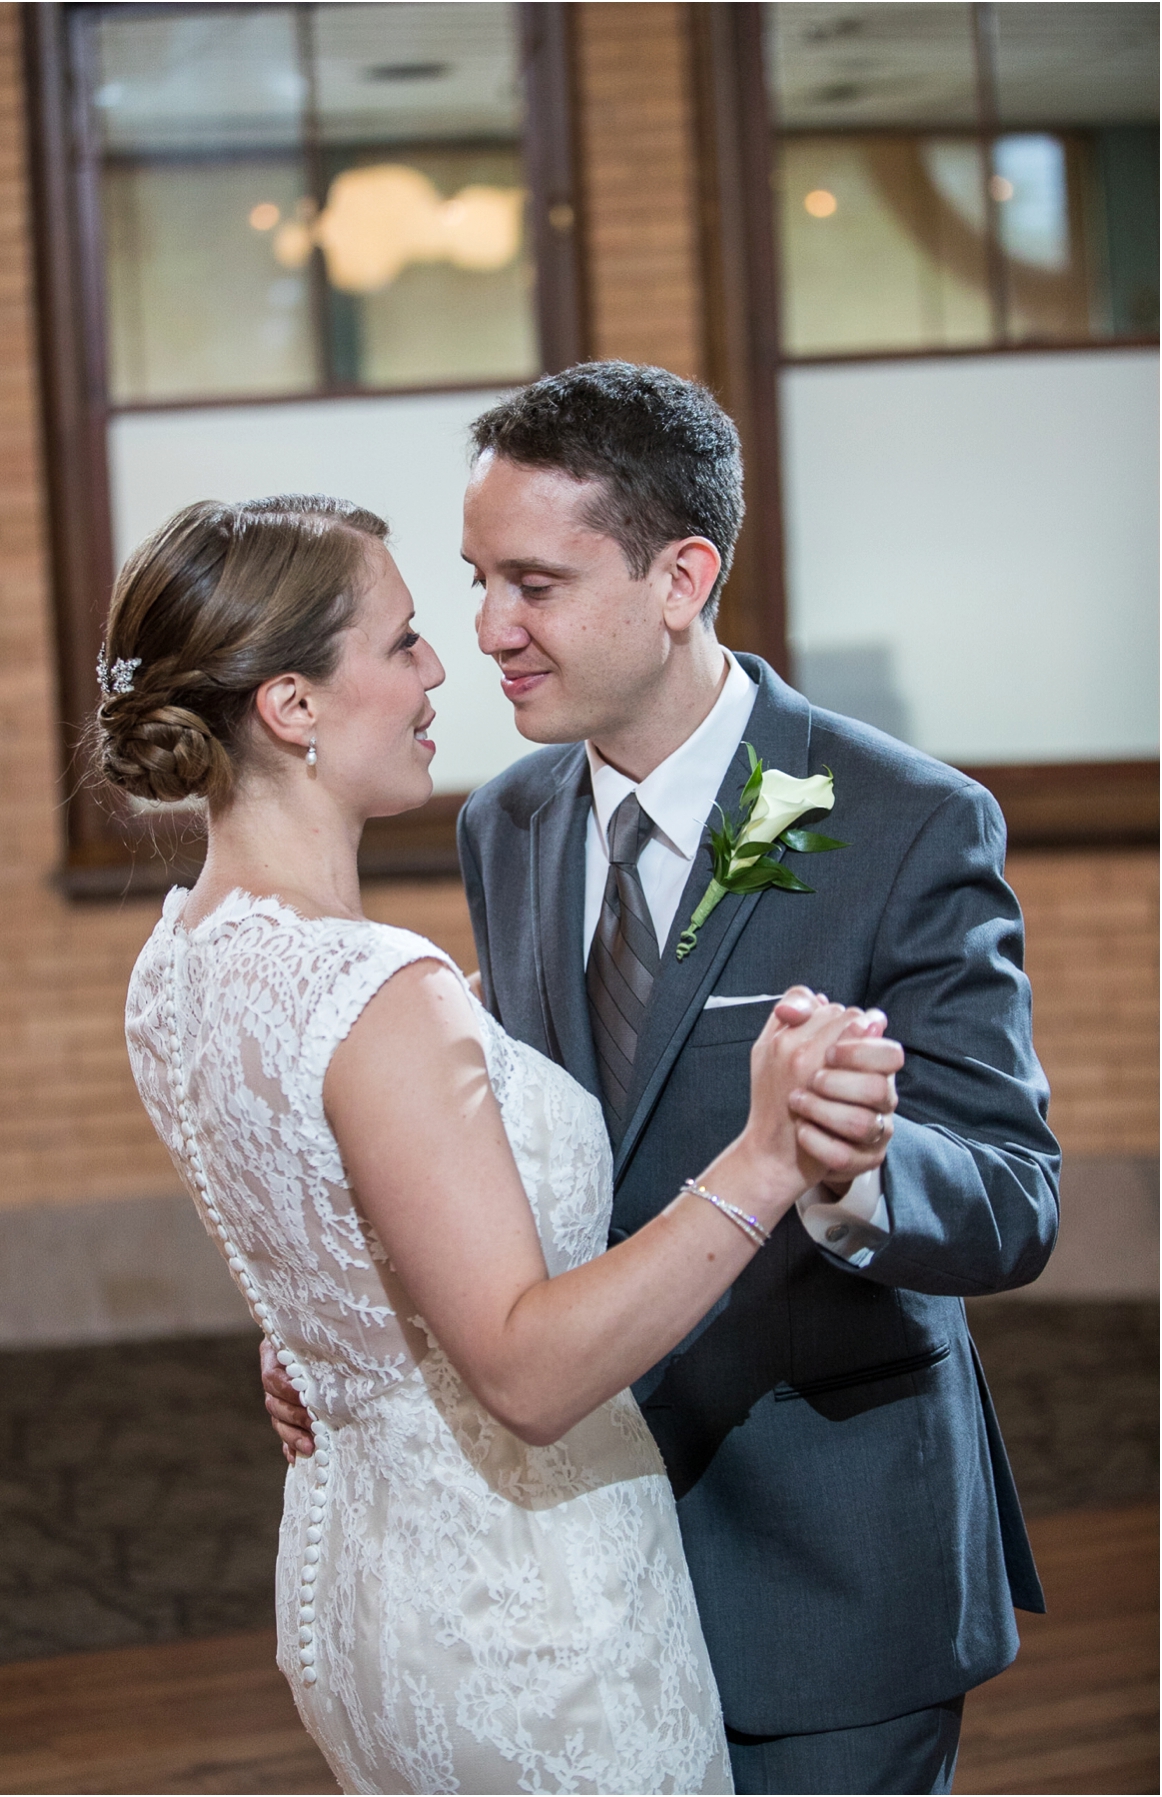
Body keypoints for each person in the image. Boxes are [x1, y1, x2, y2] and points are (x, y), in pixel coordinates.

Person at [264, 364, 1062, 1797]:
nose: (489, 632)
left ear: (681, 574)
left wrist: (854, 1164)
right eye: (477, 580)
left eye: (536, 584)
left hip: (833, 1577)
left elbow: (1014, 1198)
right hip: (583, 1572)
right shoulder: (506, 823)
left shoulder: (903, 821)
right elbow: (518, 1155)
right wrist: (372, 1328)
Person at [107, 492, 902, 1796]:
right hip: (542, 1626)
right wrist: (765, 1154)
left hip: (357, 1594)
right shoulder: (380, 996)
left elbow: (325, 1198)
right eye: (405, 639)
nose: (445, 664)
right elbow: (528, 1376)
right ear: (293, 706)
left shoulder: (178, 961)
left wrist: (341, 1330)